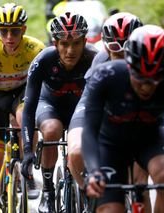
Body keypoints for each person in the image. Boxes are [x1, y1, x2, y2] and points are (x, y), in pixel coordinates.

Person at [82, 25, 164, 213]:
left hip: (150, 137)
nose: (146, 87)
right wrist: (95, 171)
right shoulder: (105, 76)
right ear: (128, 65)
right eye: (140, 78)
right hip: (110, 143)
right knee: (112, 209)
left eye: (155, 79)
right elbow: (89, 130)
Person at [67, 11, 153, 211]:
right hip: (98, 106)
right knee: (77, 152)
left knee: (140, 182)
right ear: (106, 46)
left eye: (128, 49)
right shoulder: (100, 62)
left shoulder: (151, 62)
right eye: (116, 50)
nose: (122, 59)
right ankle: (85, 192)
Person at [21, 12, 97, 213]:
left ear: (85, 41)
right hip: (50, 105)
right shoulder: (44, 59)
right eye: (64, 44)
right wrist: (28, 149)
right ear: (55, 43)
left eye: (76, 44)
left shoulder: (95, 58)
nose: (70, 50)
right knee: (52, 129)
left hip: (80, 108)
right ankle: (48, 191)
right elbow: (29, 106)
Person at [0, 3, 45, 212]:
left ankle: (28, 168)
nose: (9, 36)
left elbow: (42, 87)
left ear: (23, 29)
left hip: (21, 92)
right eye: (3, 31)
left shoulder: (35, 48)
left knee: (25, 117)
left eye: (15, 30)